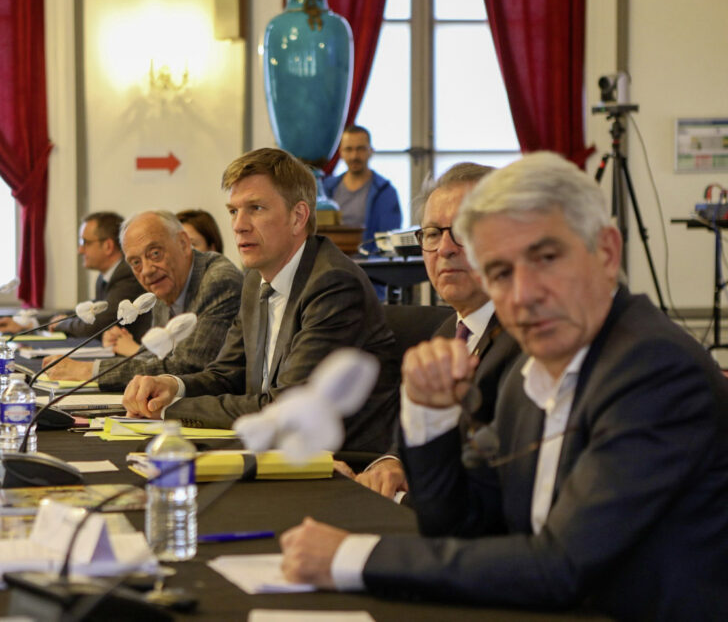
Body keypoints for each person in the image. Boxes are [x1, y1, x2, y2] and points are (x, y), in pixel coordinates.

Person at [279, 153, 728, 618]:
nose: (522, 295)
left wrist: (354, 557)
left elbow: (562, 566)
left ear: (607, 253)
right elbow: (460, 522)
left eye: (545, 259)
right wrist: (429, 418)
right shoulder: (532, 370)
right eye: (500, 273)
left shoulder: (653, 370)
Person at [123, 148, 400, 453]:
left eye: (255, 208)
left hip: (337, 462)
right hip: (272, 451)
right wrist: (172, 386)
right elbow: (226, 375)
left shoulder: (333, 284)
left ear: (298, 217)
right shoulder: (256, 280)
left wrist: (170, 410)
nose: (238, 225)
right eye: (233, 211)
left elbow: (286, 406)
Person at [341, 163, 522, 499]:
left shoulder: (529, 340)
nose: (445, 248)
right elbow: (411, 440)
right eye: (433, 233)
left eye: (463, 229)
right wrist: (392, 464)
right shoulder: (446, 332)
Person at [43, 210, 242, 390]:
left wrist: (90, 371)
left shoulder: (217, 280)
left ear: (183, 243)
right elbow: (153, 355)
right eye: (136, 262)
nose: (146, 270)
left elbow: (187, 366)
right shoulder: (164, 282)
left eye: (155, 253)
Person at [0, 211, 149, 342]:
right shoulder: (106, 277)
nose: (80, 250)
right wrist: (30, 323)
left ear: (107, 246)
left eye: (85, 242)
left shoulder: (126, 274)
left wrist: (61, 324)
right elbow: (86, 313)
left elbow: (96, 325)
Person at [322, 125, 401, 238]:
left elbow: (389, 239)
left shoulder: (386, 192)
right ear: (341, 153)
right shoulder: (325, 189)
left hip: (368, 250)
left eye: (360, 149)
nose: (354, 156)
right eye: (348, 149)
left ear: (371, 151)